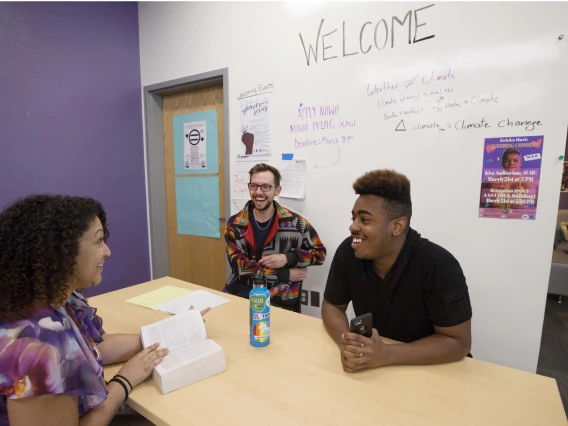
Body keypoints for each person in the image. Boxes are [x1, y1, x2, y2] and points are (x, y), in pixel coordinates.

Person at [0, 194, 208, 426]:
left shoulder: (59, 296)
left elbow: (98, 346)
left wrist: (173, 331)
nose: (107, 252)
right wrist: (125, 380)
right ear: (62, 252)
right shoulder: (40, 347)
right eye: (99, 241)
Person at [322, 169, 472, 373]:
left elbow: (458, 343)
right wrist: (349, 345)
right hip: (376, 369)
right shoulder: (349, 251)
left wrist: (387, 355)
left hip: (434, 371)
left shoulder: (438, 264)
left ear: (398, 226)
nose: (353, 227)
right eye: (354, 217)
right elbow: (332, 305)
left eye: (364, 220)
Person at [222, 163, 326, 312]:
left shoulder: (296, 223)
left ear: (277, 190)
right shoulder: (235, 224)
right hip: (241, 294)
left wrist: (289, 258)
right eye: (254, 186)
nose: (258, 192)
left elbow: (320, 253)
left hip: (279, 300)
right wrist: (286, 274)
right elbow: (241, 269)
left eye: (266, 187)